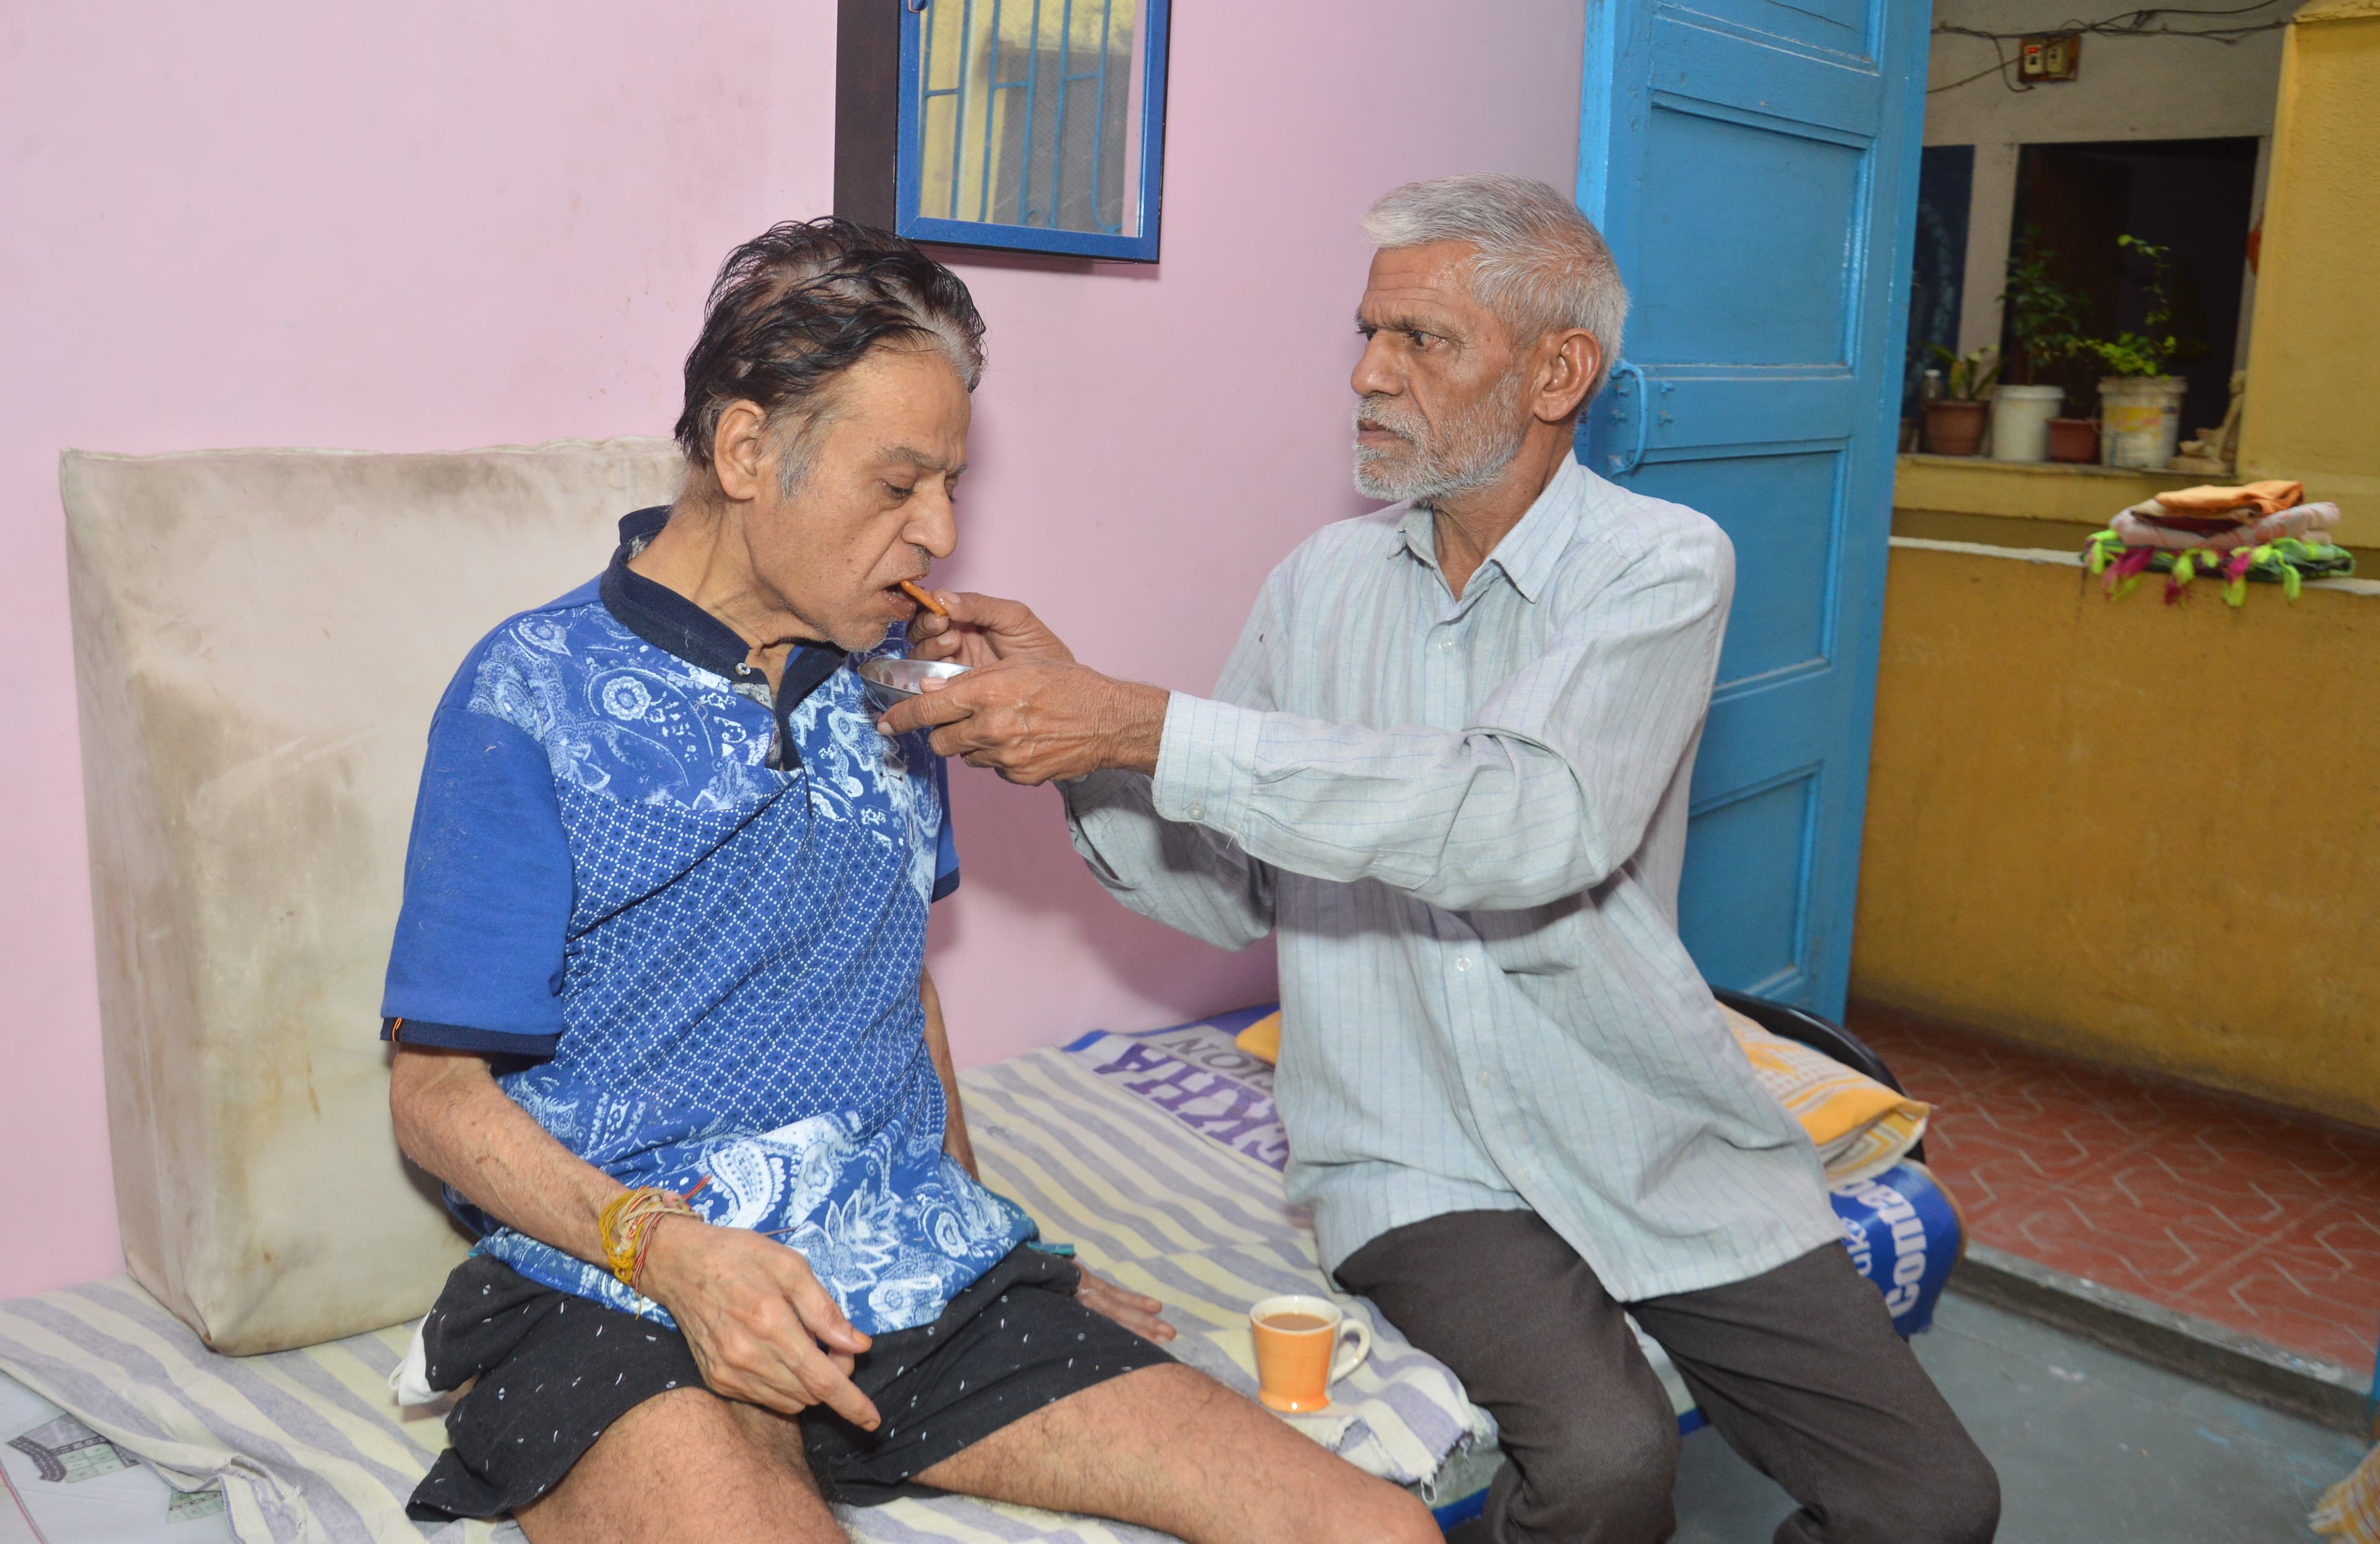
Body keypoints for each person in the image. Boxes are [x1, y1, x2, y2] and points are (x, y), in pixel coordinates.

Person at [881, 175, 2004, 1544]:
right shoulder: (1320, 585)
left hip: (1644, 1126)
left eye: (1421, 340)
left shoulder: (1660, 568)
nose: (1366, 373)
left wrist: (1147, 721)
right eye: (1366, 333)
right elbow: (1224, 883)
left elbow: (1528, 821)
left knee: (1937, 1502)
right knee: (1603, 1457)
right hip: (1413, 1161)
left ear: (1558, 371)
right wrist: (1081, 751)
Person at [381, 218, 1439, 1544]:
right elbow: (432, 1095)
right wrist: (670, 1251)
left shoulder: (891, 691)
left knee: (1379, 1530)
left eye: (949, 484)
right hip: (624, 1278)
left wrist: (988, 1233)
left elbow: (897, 990)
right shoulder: (529, 697)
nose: (936, 531)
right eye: (898, 484)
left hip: (899, 1258)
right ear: (749, 450)